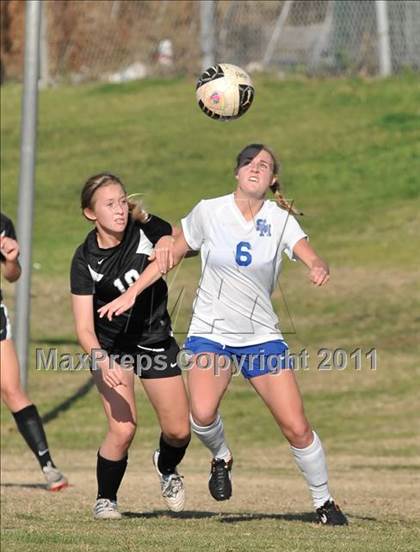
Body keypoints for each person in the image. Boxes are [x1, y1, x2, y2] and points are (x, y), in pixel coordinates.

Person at [98, 144, 349, 526]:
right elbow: (171, 254)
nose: (255, 168)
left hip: (261, 336)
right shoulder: (209, 211)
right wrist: (132, 293)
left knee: (296, 426)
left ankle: (324, 501)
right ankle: (222, 456)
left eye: (264, 165)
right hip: (210, 333)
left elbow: (308, 253)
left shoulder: (280, 219)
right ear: (236, 172)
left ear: (272, 179)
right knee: (200, 414)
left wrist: (317, 265)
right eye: (249, 162)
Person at [70, 173, 190, 520]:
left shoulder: (144, 229)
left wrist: (167, 240)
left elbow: (171, 236)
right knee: (123, 429)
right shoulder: (85, 260)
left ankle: (166, 467)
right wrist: (100, 359)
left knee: (179, 431)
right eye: (109, 204)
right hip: (112, 347)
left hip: (153, 338)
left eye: (122, 201)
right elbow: (82, 327)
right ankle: (105, 499)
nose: (120, 210)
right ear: (90, 214)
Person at [0, 212, 68, 491]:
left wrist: (13, 260)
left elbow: (11, 276)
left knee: (11, 389)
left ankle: (49, 467)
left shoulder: (2, 223)